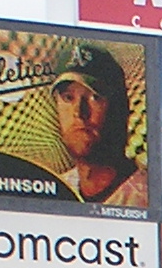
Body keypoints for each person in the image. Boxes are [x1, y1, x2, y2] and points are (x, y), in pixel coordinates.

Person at [50, 43, 147, 207]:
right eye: (68, 98)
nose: (79, 113)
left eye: (95, 97)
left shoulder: (148, 197)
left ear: (119, 108)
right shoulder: (57, 189)